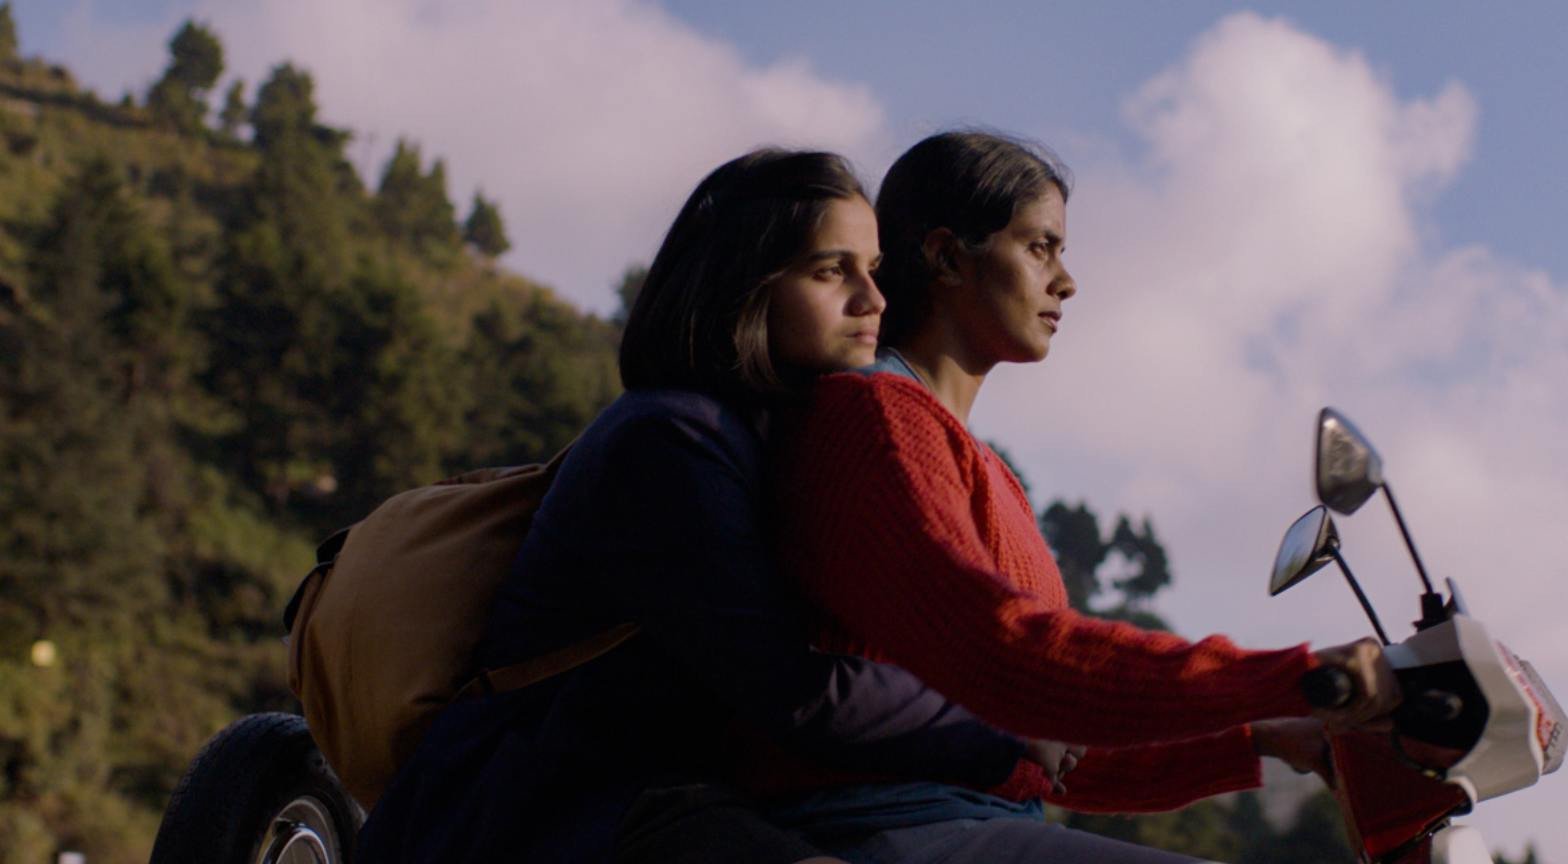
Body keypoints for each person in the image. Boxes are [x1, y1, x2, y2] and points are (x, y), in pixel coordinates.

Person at [355, 149, 1063, 863]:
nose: (873, 299)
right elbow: (788, 688)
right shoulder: (669, 441)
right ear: (745, 286)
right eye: (830, 271)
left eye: (872, 271)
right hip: (546, 810)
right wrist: (997, 723)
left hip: (664, 802)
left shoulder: (760, 436)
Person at [764, 131, 1401, 862]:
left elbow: (1056, 748)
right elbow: (1003, 654)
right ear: (946, 256)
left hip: (975, 823)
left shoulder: (985, 469)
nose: (1066, 281)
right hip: (879, 827)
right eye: (1040, 248)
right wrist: (1292, 675)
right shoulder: (873, 416)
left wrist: (1269, 735)